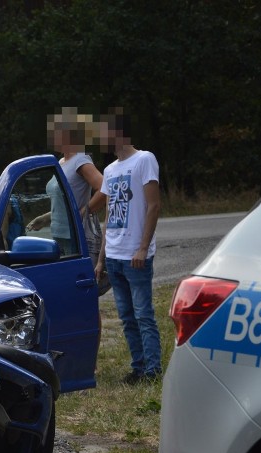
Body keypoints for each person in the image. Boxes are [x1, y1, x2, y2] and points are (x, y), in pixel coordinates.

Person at [94, 108, 163, 384]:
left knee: (144, 314)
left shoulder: (144, 160)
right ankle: (138, 367)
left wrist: (143, 248)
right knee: (126, 316)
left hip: (136, 254)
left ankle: (153, 370)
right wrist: (101, 258)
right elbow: (109, 215)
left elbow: (154, 205)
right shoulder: (110, 170)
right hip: (114, 255)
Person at [27, 109, 107, 279]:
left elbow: (104, 188)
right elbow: (64, 200)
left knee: (75, 282)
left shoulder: (81, 160)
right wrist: (46, 217)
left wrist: (85, 211)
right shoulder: (60, 162)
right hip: (58, 235)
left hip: (74, 237)